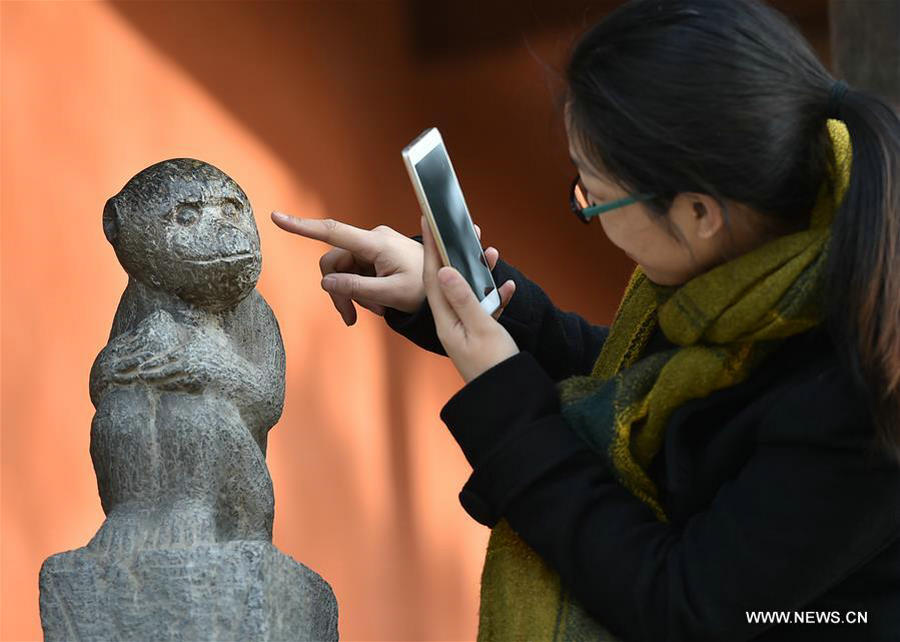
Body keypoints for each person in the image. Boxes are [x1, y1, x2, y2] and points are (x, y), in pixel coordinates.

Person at [271, 0, 900, 639]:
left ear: (698, 213)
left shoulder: (865, 393)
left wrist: (506, 401)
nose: (588, 210)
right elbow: (641, 392)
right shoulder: (767, 249)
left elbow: (682, 606)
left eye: (593, 197)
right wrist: (455, 298)